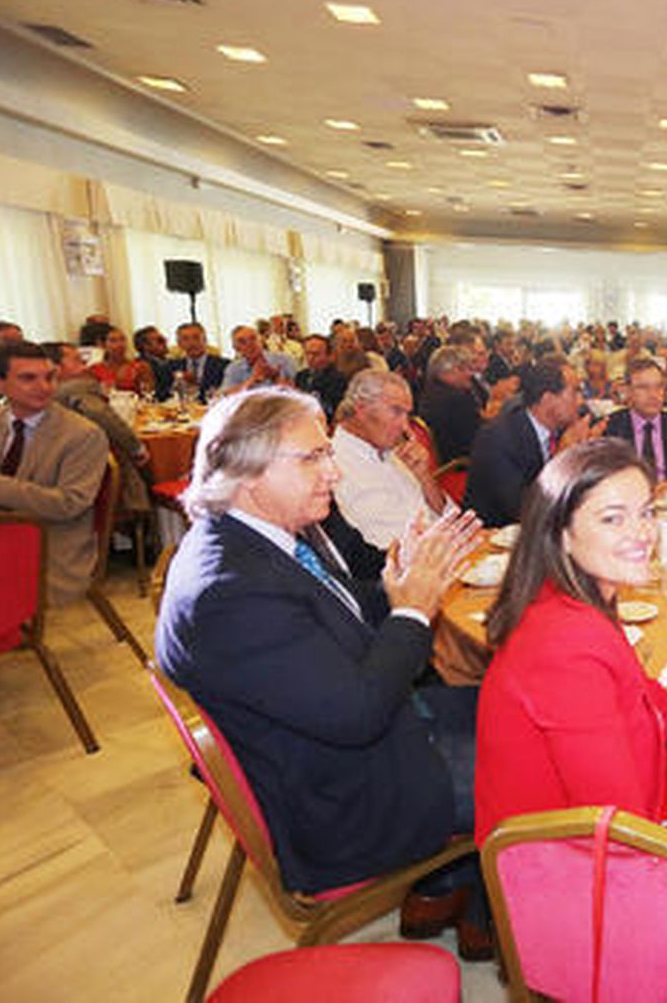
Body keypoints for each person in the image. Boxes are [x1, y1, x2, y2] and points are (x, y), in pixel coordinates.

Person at [154, 388, 490, 951]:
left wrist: (394, 586)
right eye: (312, 458)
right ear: (246, 470)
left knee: (510, 698)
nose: (333, 473)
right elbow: (358, 715)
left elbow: (330, 616)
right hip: (347, 800)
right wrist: (413, 609)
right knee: (547, 756)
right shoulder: (229, 593)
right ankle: (495, 912)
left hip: (341, 743)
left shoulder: (249, 541)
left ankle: (452, 888)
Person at [474, 438, 667, 991]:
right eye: (613, 518)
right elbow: (619, 830)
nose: (642, 533)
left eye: (645, 513)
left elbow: (640, 690)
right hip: (563, 880)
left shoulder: (576, 596)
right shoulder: (563, 642)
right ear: (561, 532)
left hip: (593, 832)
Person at [0, 340, 109, 602]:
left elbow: (70, 504)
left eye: (49, 377)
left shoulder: (83, 435)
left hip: (49, 547)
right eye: (28, 379)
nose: (44, 387)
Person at [465, 357, 600, 526]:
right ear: (548, 399)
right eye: (575, 392)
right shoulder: (498, 438)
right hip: (497, 538)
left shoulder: (563, 429)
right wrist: (561, 460)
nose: (581, 401)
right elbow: (521, 509)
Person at [332, 370, 453, 549]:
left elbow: (448, 515)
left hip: (444, 546)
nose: (405, 426)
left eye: (407, 415)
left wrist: (424, 476)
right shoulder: (336, 467)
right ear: (361, 409)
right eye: (396, 411)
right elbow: (384, 553)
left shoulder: (393, 451)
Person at [50, 341, 151, 514]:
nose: (84, 364)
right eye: (76, 360)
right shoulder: (78, 388)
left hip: (58, 476)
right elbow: (103, 417)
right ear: (55, 367)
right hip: (94, 477)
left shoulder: (38, 394)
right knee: (148, 468)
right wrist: (136, 448)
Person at [602, 357, 667, 491]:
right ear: (627, 391)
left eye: (659, 386)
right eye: (643, 387)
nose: (653, 395)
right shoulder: (611, 428)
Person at [416, 346, 483, 465]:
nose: (469, 374)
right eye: (463, 369)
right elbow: (478, 439)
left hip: (442, 462)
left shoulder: (429, 392)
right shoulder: (458, 399)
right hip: (460, 465)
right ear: (445, 371)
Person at [221, 325, 297, 391]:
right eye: (242, 342)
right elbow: (224, 396)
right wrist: (252, 380)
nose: (250, 344)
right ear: (236, 348)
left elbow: (298, 392)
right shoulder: (234, 369)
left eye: (253, 338)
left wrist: (275, 378)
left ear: (261, 340)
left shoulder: (284, 360)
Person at [167, 322, 229, 401]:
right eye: (185, 339)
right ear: (179, 344)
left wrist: (196, 382)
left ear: (205, 340)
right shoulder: (172, 366)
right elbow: (165, 394)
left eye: (196, 338)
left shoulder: (223, 365)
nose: (192, 343)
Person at [90, 326, 156, 394]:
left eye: (122, 340)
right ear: (102, 345)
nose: (120, 344)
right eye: (113, 341)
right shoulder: (94, 370)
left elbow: (148, 392)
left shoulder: (140, 367)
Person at [296, 334, 348, 420]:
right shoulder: (301, 376)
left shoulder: (338, 379)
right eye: (307, 353)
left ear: (329, 355)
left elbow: (334, 410)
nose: (310, 358)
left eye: (316, 354)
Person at [132, 325, 175, 400]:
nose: (165, 342)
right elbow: (152, 393)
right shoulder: (140, 366)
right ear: (146, 346)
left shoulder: (170, 362)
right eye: (160, 340)